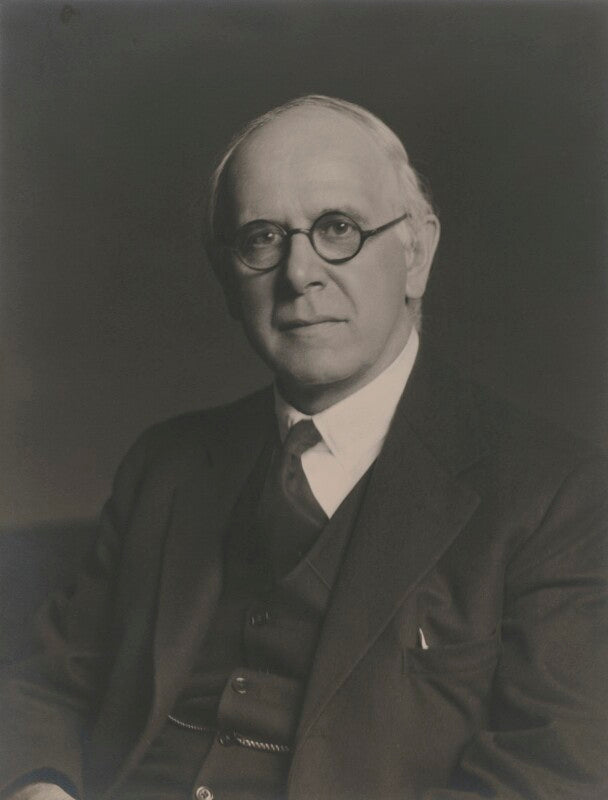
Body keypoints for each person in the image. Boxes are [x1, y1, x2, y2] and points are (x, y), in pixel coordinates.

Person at [1, 95, 607, 800]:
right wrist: (39, 787)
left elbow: (552, 771)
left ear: (416, 253)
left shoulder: (555, 492)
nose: (299, 274)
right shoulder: (164, 466)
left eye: (337, 228)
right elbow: (48, 684)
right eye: (262, 238)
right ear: (227, 277)